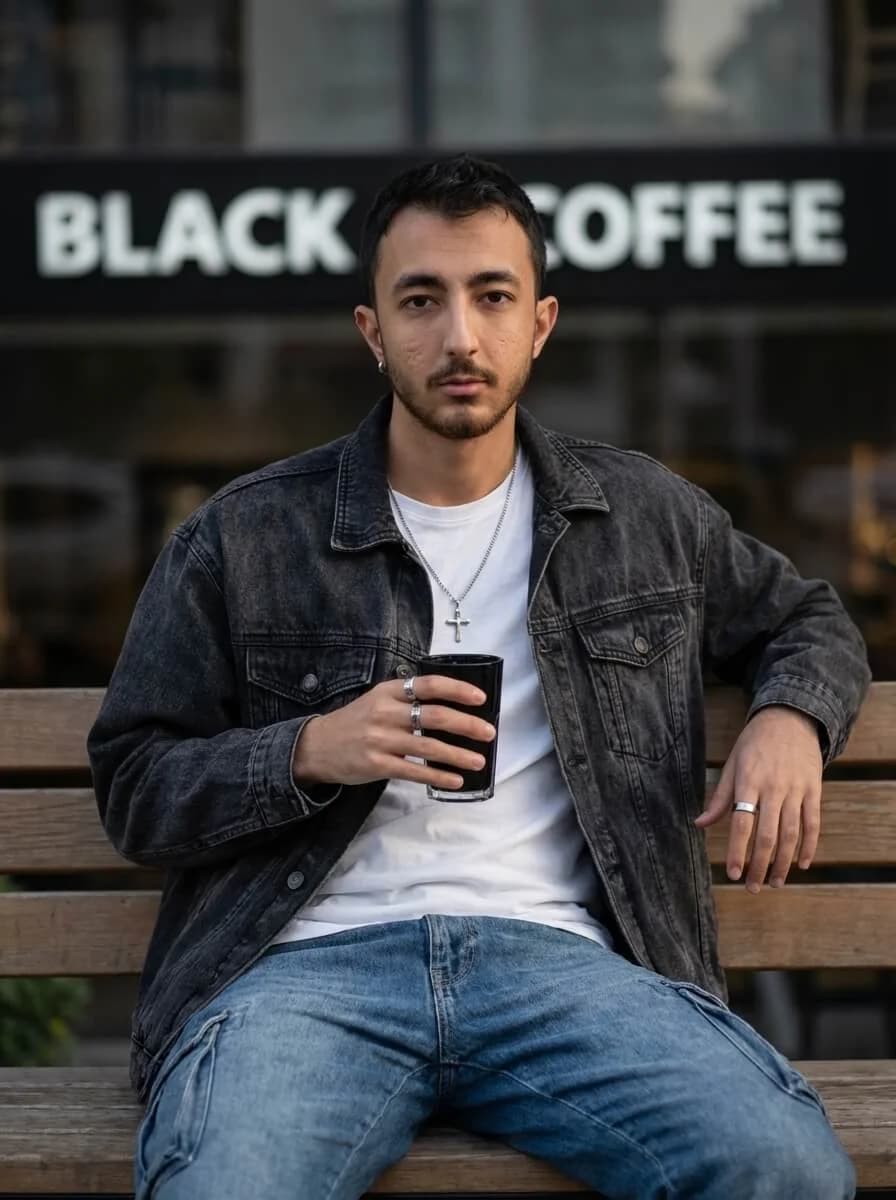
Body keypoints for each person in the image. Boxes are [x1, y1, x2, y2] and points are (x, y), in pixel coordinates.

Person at [88, 154, 870, 1200]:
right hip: (307, 977)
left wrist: (788, 717)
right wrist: (308, 750)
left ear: (538, 322)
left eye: (490, 296)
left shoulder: (640, 517)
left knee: (781, 1167)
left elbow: (809, 620)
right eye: (420, 299)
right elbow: (135, 784)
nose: (458, 336)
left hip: (562, 967)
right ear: (372, 331)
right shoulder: (246, 535)